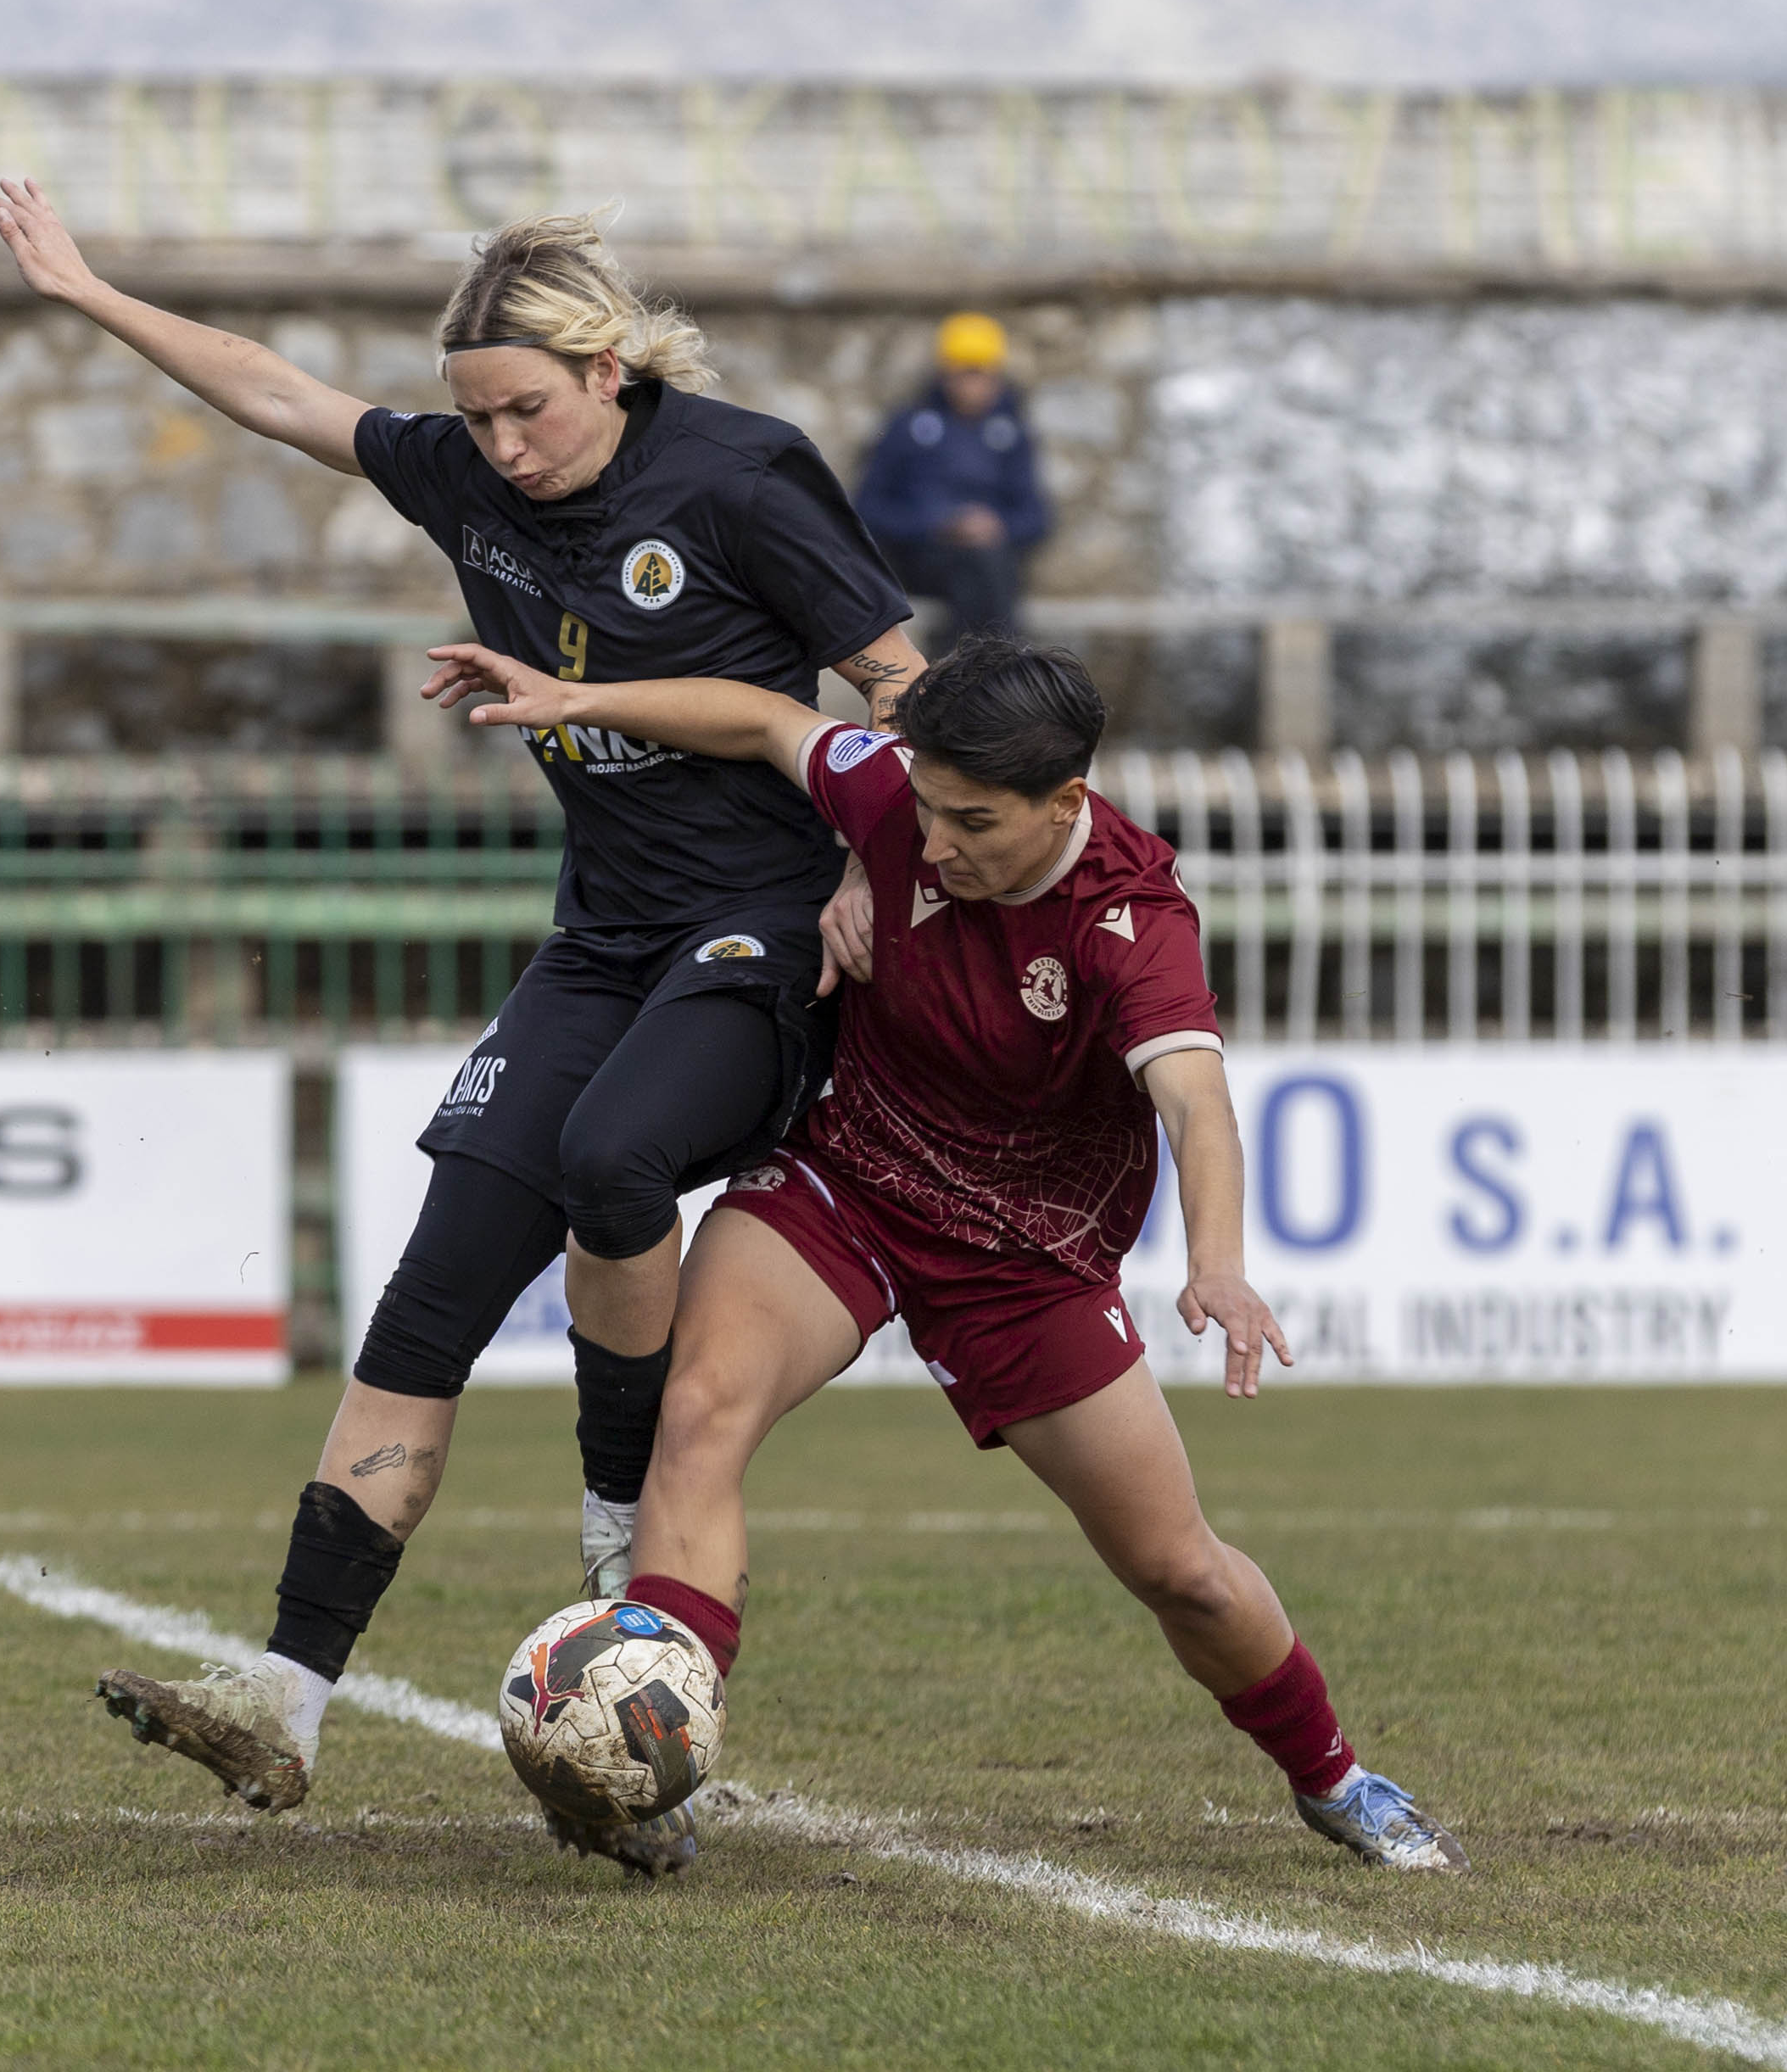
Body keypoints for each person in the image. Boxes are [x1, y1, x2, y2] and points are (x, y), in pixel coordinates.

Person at [0, 181, 924, 1875]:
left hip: (763, 933)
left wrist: (877, 863)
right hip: (603, 939)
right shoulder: (470, 472)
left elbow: (901, 683)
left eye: (528, 411)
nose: (499, 448)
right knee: (431, 1291)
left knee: (614, 1156)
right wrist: (90, 291)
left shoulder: (739, 474)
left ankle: (619, 1554)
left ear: (609, 368)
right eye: (475, 417)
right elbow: (275, 390)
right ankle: (283, 1702)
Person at [424, 634, 1465, 1874]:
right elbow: (764, 721)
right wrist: (580, 699)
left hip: (1025, 1258)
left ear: (1065, 804)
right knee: (696, 1414)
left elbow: (1196, 1103)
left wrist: (1220, 1262)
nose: (936, 843)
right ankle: (649, 1762)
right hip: (847, 1183)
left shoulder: (1132, 918)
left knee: (1180, 1570)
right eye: (925, 810)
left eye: (972, 823)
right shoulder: (896, 803)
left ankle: (1336, 1778)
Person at [852, 311, 1049, 654]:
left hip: (992, 563)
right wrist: (939, 525)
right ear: (945, 373)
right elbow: (869, 508)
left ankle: (973, 666)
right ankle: (996, 665)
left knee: (984, 567)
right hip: (921, 559)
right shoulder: (908, 426)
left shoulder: (1011, 432)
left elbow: (1036, 516)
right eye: (965, 372)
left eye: (982, 373)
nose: (973, 385)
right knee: (980, 572)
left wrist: (995, 526)